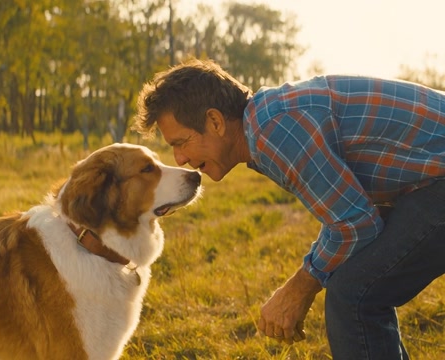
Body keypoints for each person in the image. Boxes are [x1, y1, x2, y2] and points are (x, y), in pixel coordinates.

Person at [132, 58, 445, 360]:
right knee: (354, 288)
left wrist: (298, 289)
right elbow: (348, 210)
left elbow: (355, 224)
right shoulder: (268, 122)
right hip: (430, 184)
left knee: (354, 295)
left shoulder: (275, 131)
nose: (179, 159)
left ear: (215, 122)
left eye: (181, 142)